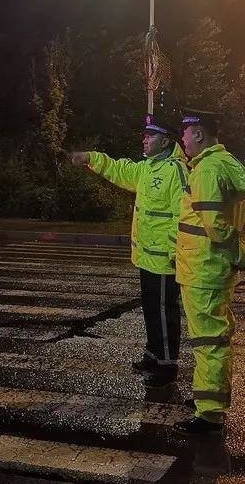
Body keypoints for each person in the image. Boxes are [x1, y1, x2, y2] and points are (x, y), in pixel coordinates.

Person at [70, 114, 188, 388]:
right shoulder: (147, 168)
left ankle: (167, 365)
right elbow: (119, 169)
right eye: (144, 135)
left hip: (165, 260)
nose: (144, 140)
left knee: (163, 312)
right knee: (151, 310)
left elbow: (182, 217)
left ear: (165, 140)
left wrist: (174, 252)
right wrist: (91, 157)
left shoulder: (176, 170)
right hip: (147, 257)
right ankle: (152, 355)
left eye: (150, 136)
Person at [173, 109, 245, 436]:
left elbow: (215, 226)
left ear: (198, 133)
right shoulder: (225, 163)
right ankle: (207, 399)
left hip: (204, 268)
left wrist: (240, 255)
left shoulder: (207, 170)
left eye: (185, 133)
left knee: (209, 341)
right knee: (212, 337)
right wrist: (241, 255)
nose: (182, 139)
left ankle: (210, 413)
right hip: (210, 268)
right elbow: (243, 210)